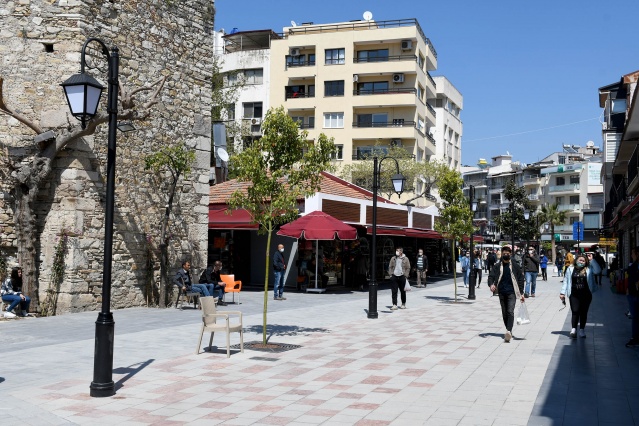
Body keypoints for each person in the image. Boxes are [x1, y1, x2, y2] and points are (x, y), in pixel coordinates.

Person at [488, 246, 525, 343]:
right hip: (501, 292)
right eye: (504, 254)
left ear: (510, 254)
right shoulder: (497, 266)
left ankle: (508, 330)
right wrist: (491, 284)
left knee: (510, 311)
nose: (505, 255)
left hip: (512, 292)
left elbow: (520, 279)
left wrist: (521, 293)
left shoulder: (514, 265)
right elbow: (491, 276)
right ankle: (509, 330)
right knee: (504, 313)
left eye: (507, 254)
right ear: (501, 254)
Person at [560, 253, 596, 339]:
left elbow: (598, 271)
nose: (581, 262)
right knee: (575, 311)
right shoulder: (570, 269)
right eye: (580, 260)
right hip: (574, 293)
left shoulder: (589, 268)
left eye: (583, 261)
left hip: (586, 294)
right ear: (576, 260)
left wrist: (592, 260)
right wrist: (562, 292)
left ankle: (582, 330)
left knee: (583, 312)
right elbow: (566, 281)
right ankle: (574, 329)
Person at [625, 247, 639, 347]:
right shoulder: (633, 265)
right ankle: (635, 338)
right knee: (635, 317)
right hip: (632, 294)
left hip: (635, 294)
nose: (631, 255)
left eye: (633, 253)